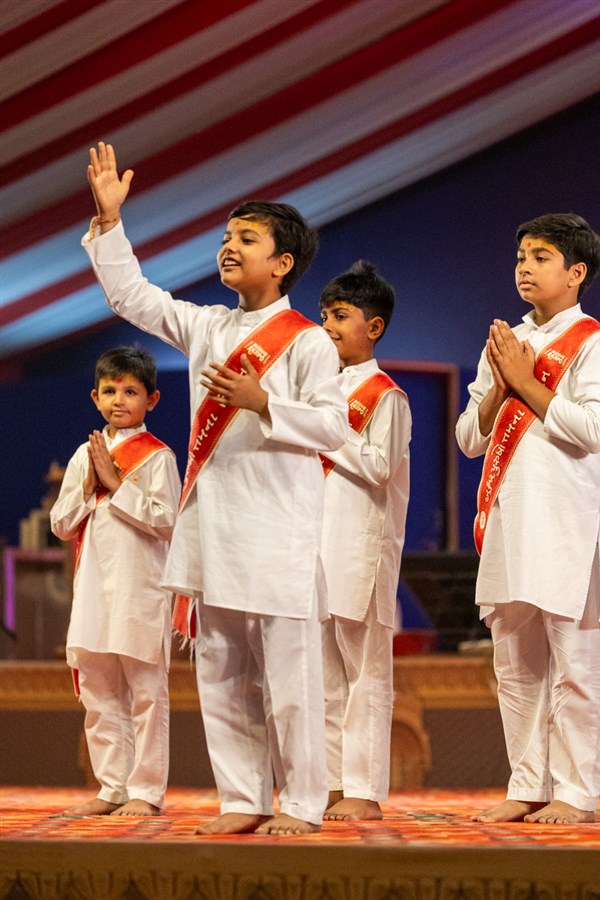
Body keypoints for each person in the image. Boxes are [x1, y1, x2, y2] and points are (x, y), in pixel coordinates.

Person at [81, 142, 348, 836]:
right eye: (228, 236)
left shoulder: (309, 343)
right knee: (222, 672)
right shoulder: (208, 325)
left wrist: (264, 403)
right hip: (215, 526)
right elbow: (132, 297)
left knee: (291, 677)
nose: (229, 246)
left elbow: (333, 428)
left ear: (282, 262)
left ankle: (302, 803)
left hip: (280, 529)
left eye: (247, 238)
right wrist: (110, 223)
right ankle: (242, 800)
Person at [455, 213, 600, 824]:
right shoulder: (506, 342)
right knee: (514, 665)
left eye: (541, 257)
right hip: (509, 521)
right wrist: (500, 385)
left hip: (569, 523)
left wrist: (526, 382)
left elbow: (593, 429)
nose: (524, 267)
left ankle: (578, 791)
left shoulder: (590, 342)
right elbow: (469, 438)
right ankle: (527, 785)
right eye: (521, 256)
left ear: (576, 272)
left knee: (575, 665)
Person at [50, 346, 181, 817]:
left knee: (146, 691)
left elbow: (167, 521)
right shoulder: (84, 456)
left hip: (139, 587)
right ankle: (112, 787)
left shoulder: (157, 457)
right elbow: (61, 525)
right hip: (93, 586)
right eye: (109, 391)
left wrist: (117, 484)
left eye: (130, 391)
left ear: (152, 399)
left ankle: (146, 791)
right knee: (98, 689)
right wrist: (90, 486)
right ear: (95, 397)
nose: (118, 400)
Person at [319, 260, 411, 820]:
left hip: (361, 547)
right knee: (325, 675)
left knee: (365, 673)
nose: (327, 325)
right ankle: (332, 781)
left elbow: (378, 467)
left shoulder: (386, 396)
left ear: (373, 327)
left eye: (340, 315)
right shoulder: (318, 393)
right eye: (325, 315)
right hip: (316, 547)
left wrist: (327, 430)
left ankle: (364, 789)